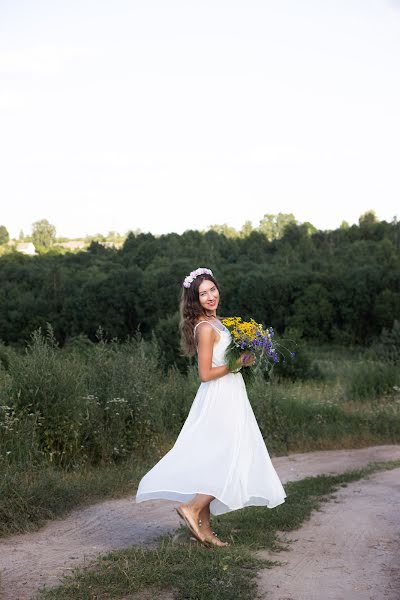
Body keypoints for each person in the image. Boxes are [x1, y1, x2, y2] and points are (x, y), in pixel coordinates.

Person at [135, 267, 286, 548]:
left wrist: (244, 358)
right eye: (203, 293)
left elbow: (225, 361)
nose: (210, 296)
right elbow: (205, 373)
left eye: (212, 290)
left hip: (231, 392)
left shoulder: (219, 323)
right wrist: (236, 363)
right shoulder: (204, 328)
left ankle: (205, 531)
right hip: (219, 396)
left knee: (215, 459)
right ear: (195, 299)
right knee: (228, 458)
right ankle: (192, 508)